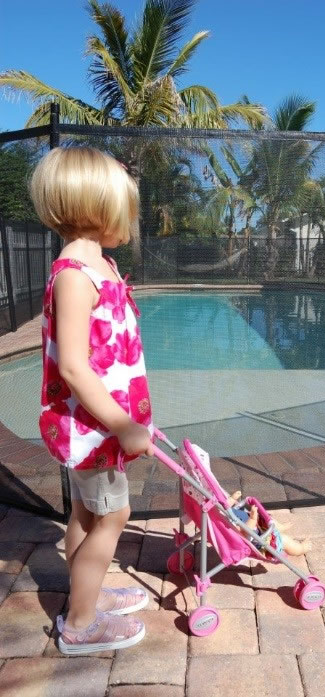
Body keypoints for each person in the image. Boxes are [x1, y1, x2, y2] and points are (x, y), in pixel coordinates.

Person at [29, 146, 155, 655]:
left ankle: (88, 594)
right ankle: (81, 623)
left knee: (85, 512)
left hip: (100, 424)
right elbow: (76, 366)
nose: (132, 221)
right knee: (112, 516)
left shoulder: (98, 265)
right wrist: (124, 424)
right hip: (95, 427)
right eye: (127, 209)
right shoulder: (75, 277)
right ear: (99, 208)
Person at [227, 491, 311, 556]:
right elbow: (245, 532)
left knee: (268, 519)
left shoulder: (221, 514)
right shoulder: (232, 528)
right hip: (260, 540)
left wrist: (232, 499)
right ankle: (301, 549)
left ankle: (279, 527)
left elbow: (223, 506)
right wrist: (252, 518)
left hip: (258, 526)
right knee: (284, 540)